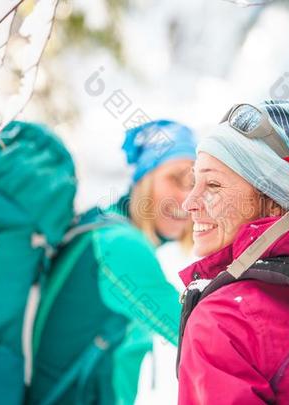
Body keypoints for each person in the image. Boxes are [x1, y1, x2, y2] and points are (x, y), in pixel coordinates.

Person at [176, 100, 289, 404]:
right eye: (194, 182)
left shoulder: (223, 321)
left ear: (275, 200)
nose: (188, 202)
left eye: (213, 184)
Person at [28, 120, 196, 405]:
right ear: (145, 180)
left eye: (195, 184)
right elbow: (198, 332)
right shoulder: (122, 246)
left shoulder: (101, 224)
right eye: (175, 179)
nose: (188, 197)